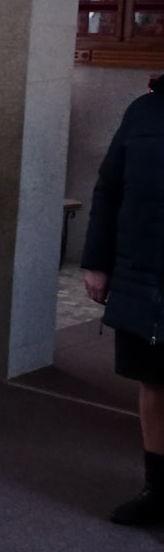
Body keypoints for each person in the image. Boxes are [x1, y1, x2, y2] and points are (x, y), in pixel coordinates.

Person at [81, 74, 164, 525]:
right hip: (144, 270)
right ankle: (156, 491)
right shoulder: (143, 111)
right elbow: (109, 188)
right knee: (153, 382)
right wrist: (97, 262)